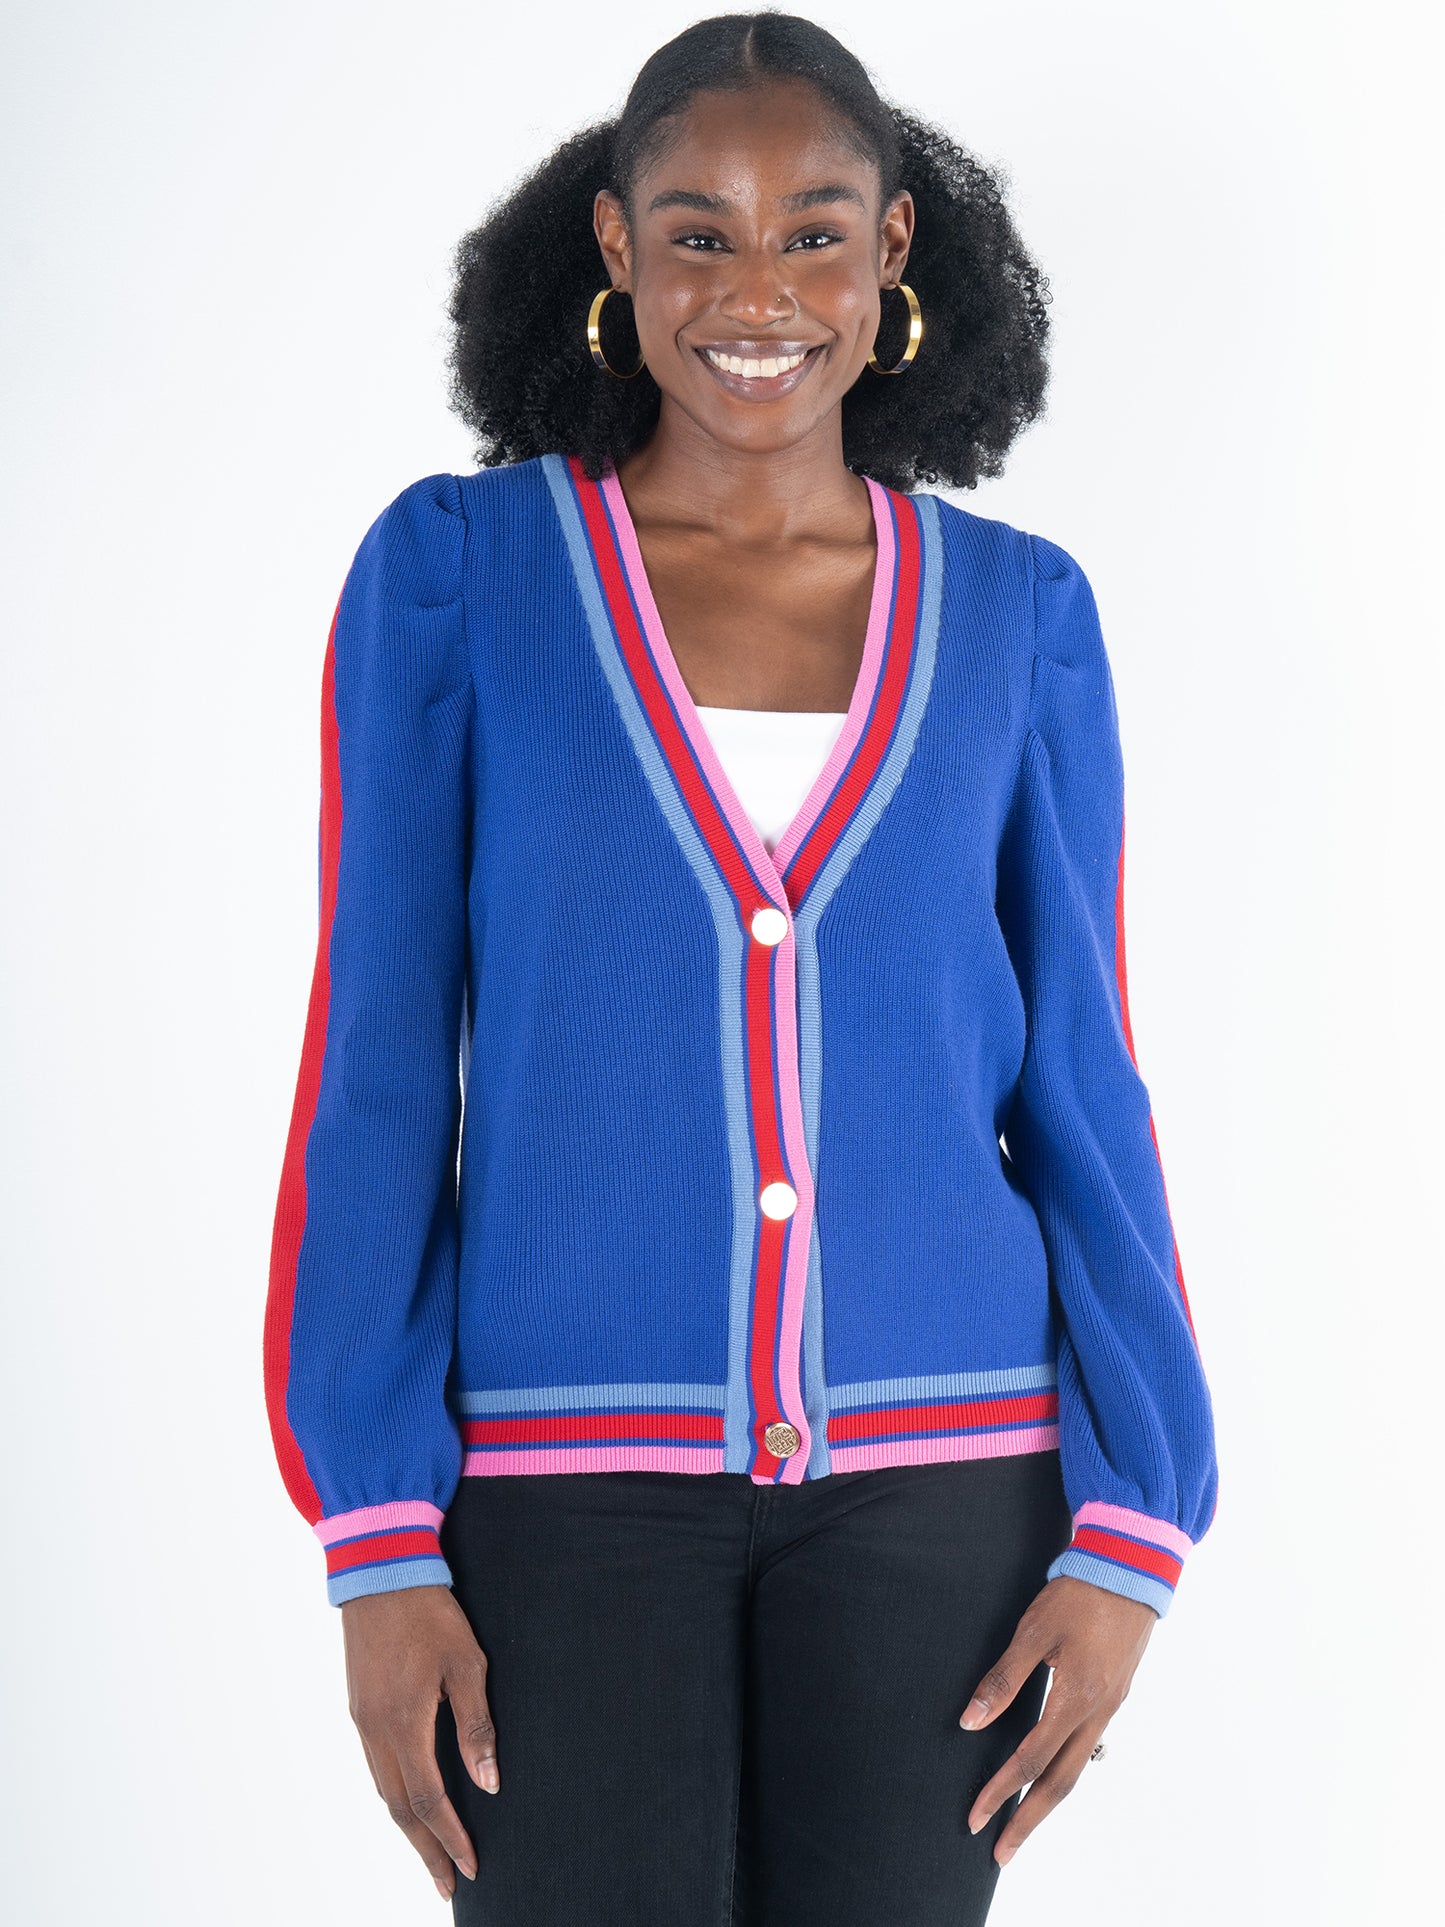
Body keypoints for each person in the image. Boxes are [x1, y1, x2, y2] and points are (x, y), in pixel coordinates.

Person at [263, 13, 1217, 1923]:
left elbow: (1084, 1083)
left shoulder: (1019, 616)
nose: (756, 291)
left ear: (894, 255)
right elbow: (370, 1065)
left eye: (814, 231)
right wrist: (376, 1536)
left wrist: (1134, 1522)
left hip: (952, 1484)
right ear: (613, 251)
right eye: (698, 233)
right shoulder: (462, 578)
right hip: (551, 1496)